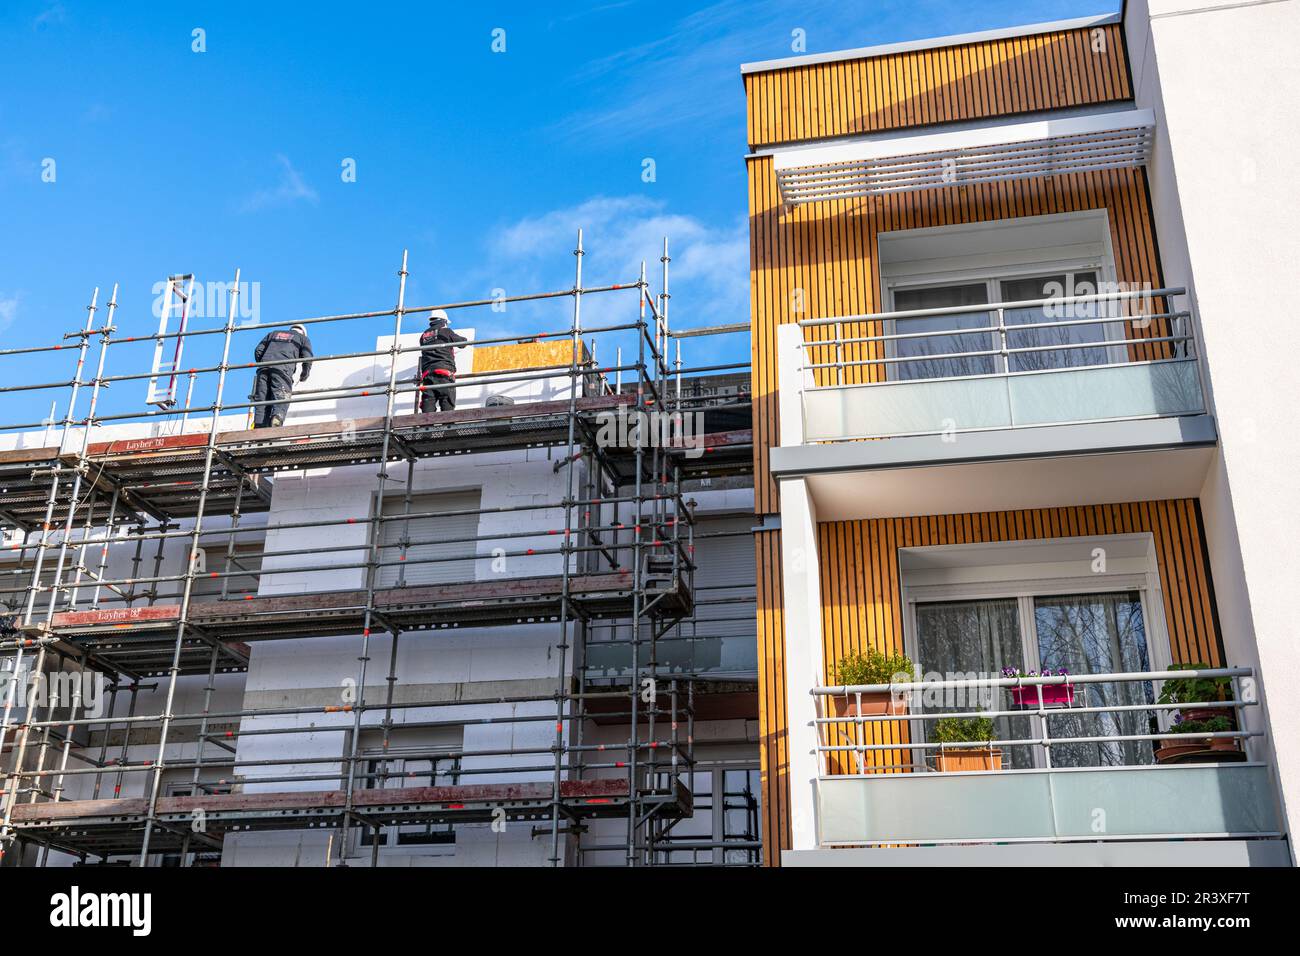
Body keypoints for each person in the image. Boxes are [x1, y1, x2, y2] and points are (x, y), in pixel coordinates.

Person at [251, 323, 313, 428]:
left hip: (263, 369)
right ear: (303, 333)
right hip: (282, 370)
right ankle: (277, 419)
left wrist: (264, 363)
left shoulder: (273, 334)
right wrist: (304, 374)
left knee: (262, 400)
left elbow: (258, 350)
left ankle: (259, 427)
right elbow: (307, 358)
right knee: (282, 396)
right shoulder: (303, 338)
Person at [416, 310, 467, 413]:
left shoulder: (423, 336)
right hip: (443, 370)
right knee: (446, 398)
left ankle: (426, 426)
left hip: (427, 374)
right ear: (443, 321)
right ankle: (447, 425)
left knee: (428, 400)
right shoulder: (445, 331)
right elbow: (462, 343)